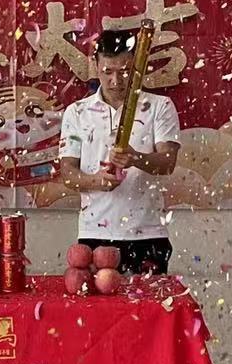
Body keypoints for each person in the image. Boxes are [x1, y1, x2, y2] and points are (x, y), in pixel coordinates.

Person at [57, 29, 182, 274]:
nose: (116, 81)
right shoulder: (77, 112)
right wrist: (97, 181)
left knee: (150, 299)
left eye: (125, 71)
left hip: (148, 235)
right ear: (95, 65)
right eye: (108, 72)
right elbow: (67, 173)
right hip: (94, 233)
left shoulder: (159, 106)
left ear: (137, 67)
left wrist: (136, 158)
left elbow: (168, 163)